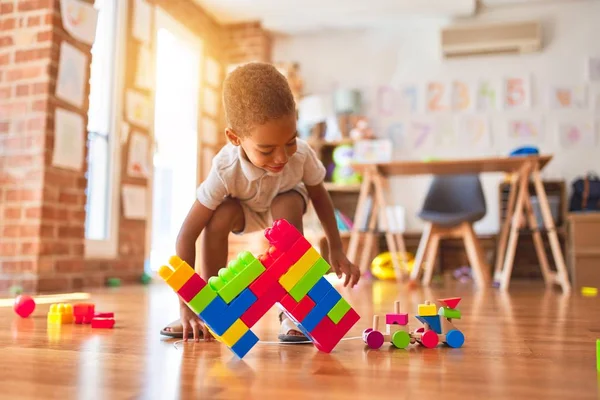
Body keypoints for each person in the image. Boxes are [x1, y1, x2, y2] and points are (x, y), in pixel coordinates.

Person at [160, 62, 360, 342]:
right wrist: (188, 305)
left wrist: (336, 249)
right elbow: (187, 235)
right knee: (218, 215)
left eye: (290, 141)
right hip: (244, 211)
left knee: (287, 202)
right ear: (235, 138)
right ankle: (211, 308)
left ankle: (293, 310)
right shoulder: (224, 169)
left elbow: (320, 197)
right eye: (266, 149)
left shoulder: (300, 155)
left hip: (284, 206)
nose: (281, 157)